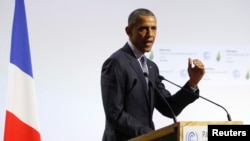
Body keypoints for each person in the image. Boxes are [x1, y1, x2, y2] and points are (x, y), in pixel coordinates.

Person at [100, 8, 205, 141]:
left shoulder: (151, 67)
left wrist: (192, 83)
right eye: (143, 29)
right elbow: (115, 113)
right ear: (128, 31)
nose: (150, 34)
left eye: (153, 28)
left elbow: (169, 107)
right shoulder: (116, 63)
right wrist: (149, 134)